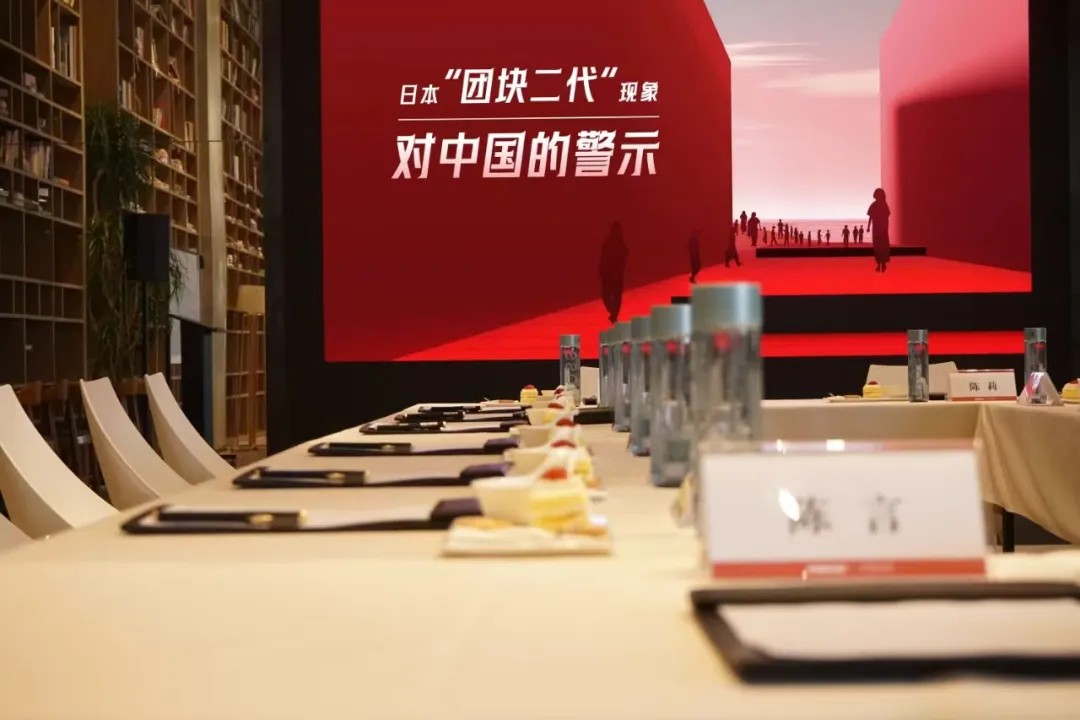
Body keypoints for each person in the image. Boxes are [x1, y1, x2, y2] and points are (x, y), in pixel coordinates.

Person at [600, 221, 628, 323]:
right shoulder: (610, 244)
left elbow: (624, 258)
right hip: (610, 274)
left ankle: (614, 313)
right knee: (609, 296)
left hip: (615, 274)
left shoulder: (619, 245)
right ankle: (614, 313)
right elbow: (603, 258)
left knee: (614, 296)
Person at [867, 187, 892, 272]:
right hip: (878, 229)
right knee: (879, 246)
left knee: (881, 246)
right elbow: (871, 217)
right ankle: (880, 264)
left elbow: (885, 217)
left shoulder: (880, 205)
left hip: (880, 229)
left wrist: (869, 227)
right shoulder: (879, 205)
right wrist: (868, 227)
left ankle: (882, 264)